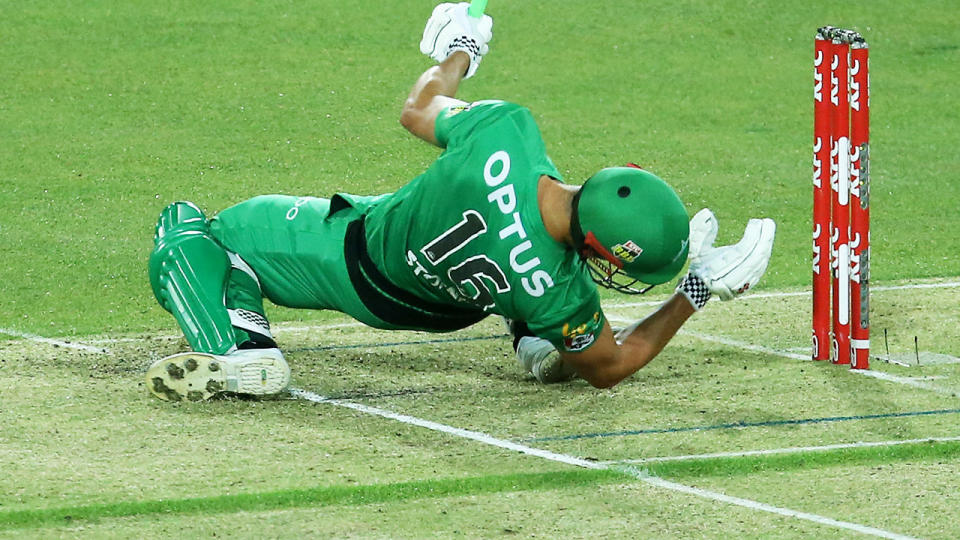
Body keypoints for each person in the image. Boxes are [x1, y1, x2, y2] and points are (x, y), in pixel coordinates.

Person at [145, 3, 776, 402]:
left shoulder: (506, 132)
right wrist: (692, 294)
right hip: (453, 307)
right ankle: (536, 345)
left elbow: (417, 109)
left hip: (360, 262)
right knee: (545, 301)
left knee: (193, 231)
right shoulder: (562, 290)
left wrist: (459, 51)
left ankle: (241, 348)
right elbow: (609, 366)